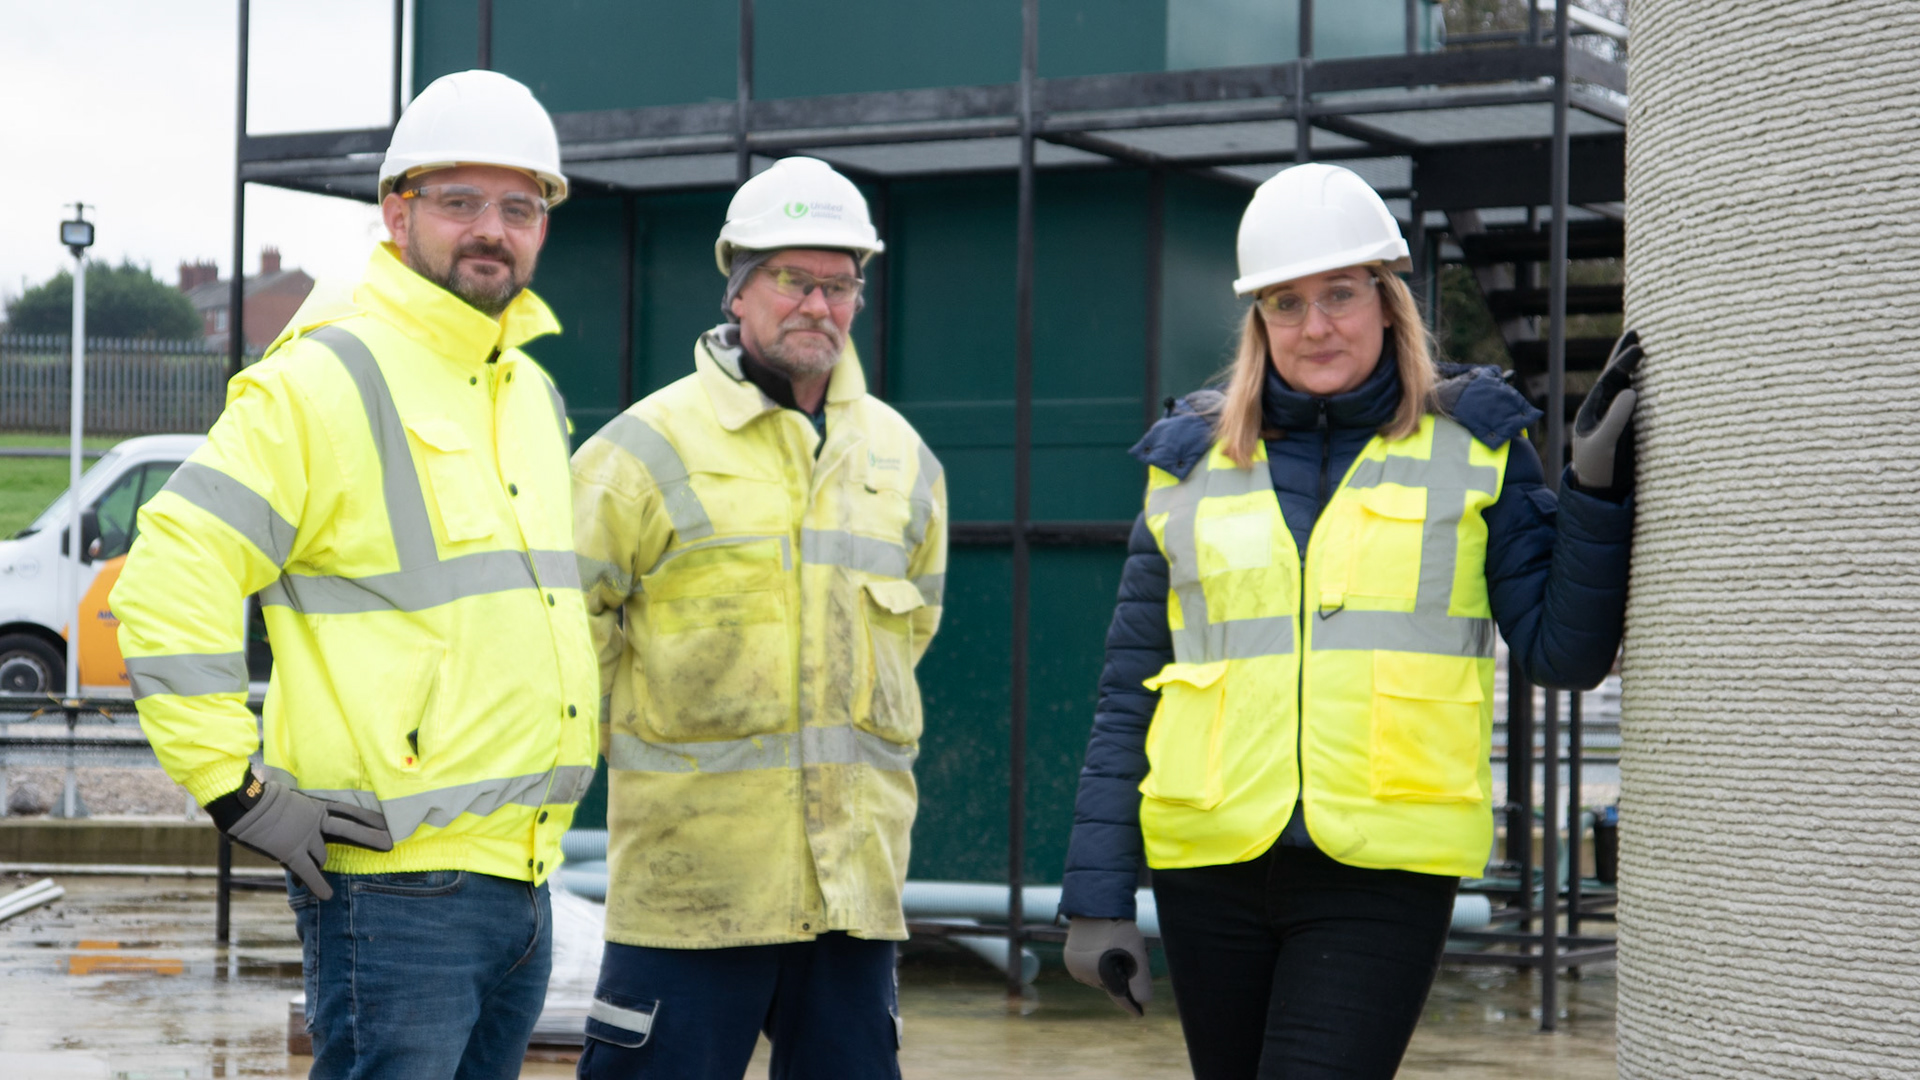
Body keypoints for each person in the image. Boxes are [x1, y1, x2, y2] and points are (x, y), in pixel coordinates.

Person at [1057, 162, 1638, 1079]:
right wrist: (1096, 896)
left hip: (1382, 871)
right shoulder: (1187, 462)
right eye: (1286, 304)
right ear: (1258, 320)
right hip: (1209, 864)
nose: (1316, 325)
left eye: (1339, 294)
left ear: (1386, 299)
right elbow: (1129, 691)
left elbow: (1563, 653)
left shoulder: (1477, 446)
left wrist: (1595, 491)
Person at [111, 69, 599, 1080]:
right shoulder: (328, 375)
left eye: (519, 206)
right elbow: (171, 570)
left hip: (524, 877)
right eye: (459, 202)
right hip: (394, 893)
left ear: (544, 225)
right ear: (395, 213)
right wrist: (234, 790)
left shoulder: (530, 394)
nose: (491, 231)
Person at [570, 155, 947, 1079]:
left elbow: (916, 628)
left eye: (840, 283)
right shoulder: (639, 452)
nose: (818, 304)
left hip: (851, 893)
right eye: (792, 279)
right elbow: (565, 640)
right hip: (688, 896)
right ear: (738, 289)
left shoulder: (901, 460)